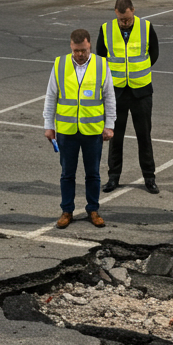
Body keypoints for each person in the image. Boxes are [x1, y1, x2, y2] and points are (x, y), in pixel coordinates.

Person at [44, 29, 116, 228]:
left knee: (93, 173)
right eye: (76, 51)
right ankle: (67, 211)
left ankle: (93, 209)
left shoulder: (102, 65)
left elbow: (109, 97)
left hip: (93, 131)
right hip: (67, 131)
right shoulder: (60, 64)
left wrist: (109, 125)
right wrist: (49, 126)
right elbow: (51, 96)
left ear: (89, 46)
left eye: (83, 50)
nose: (79, 55)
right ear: (71, 46)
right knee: (67, 173)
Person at [96, 0, 159, 194]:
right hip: (116, 92)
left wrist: (137, 71)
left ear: (133, 10)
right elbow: (101, 56)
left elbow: (154, 53)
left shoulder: (146, 26)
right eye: (122, 19)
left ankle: (149, 177)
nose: (125, 23)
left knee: (144, 136)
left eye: (128, 19)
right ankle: (113, 177)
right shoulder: (106, 29)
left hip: (141, 91)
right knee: (114, 136)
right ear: (116, 12)